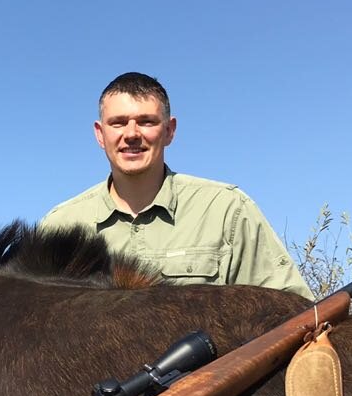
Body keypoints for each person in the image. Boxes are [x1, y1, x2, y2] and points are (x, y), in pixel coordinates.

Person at [41, 72, 314, 299]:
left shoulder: (226, 209)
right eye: (118, 123)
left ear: (169, 130)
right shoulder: (58, 227)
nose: (132, 134)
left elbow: (292, 312)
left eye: (147, 122)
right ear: (100, 134)